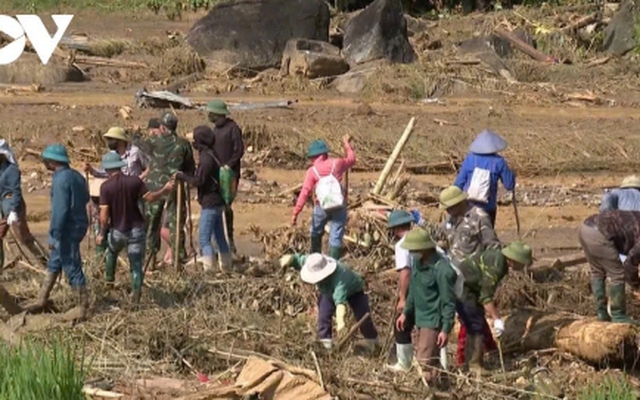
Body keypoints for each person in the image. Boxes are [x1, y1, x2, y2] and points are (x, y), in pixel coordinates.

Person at [434, 185, 501, 367]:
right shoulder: (451, 218)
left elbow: (492, 246)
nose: (448, 211)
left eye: (450, 207)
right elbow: (441, 236)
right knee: (470, 316)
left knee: (470, 318)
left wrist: (487, 275)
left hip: (472, 278)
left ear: (461, 202)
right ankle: (490, 350)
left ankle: (471, 361)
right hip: (454, 275)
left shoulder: (479, 218)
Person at [98, 152, 174, 303]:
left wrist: (101, 233)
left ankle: (109, 284)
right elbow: (151, 198)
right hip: (136, 230)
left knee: (112, 252)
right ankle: (136, 296)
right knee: (136, 264)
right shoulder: (135, 182)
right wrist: (164, 190)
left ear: (107, 170)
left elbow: (104, 215)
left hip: (118, 230)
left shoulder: (105, 187)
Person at [28, 144, 90, 321]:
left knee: (71, 263)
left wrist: (54, 233)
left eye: (47, 160)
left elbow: (60, 210)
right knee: (55, 260)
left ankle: (82, 305)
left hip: (67, 227)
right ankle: (42, 298)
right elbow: (85, 197)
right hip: (79, 223)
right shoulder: (77, 176)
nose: (45, 163)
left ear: (53, 162)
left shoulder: (60, 179)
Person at [455, 241, 533, 374]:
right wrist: (497, 319)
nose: (523, 267)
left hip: (471, 286)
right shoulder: (497, 265)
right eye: (522, 263)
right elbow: (486, 297)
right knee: (475, 324)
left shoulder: (500, 260)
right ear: (513, 260)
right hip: (463, 287)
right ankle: (474, 365)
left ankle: (469, 362)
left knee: (476, 320)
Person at [280, 252, 379, 351]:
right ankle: (325, 344)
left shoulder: (340, 280)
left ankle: (372, 342)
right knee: (324, 314)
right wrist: (289, 259)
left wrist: (340, 322)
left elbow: (340, 303)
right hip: (328, 290)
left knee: (363, 316)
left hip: (354, 291)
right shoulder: (314, 262)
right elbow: (298, 259)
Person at [133, 112, 195, 267]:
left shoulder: (155, 141)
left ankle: (149, 260)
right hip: (175, 187)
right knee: (175, 223)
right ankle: (178, 259)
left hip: (155, 187)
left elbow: (138, 143)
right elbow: (190, 168)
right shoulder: (183, 144)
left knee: (152, 224)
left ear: (162, 127)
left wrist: (135, 133)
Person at [395, 228, 457, 383]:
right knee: (430, 361)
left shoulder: (442, 269)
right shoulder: (417, 262)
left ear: (424, 248)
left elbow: (448, 302)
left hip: (432, 321)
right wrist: (405, 313)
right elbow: (414, 291)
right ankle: (445, 388)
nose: (411, 252)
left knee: (425, 363)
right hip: (419, 318)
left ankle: (431, 391)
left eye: (414, 249)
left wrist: (445, 329)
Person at [174, 126, 232, 272]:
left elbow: (199, 181)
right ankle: (226, 267)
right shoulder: (214, 155)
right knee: (219, 237)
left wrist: (181, 176)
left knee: (204, 239)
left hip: (210, 203)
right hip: (218, 201)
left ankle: (209, 269)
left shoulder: (206, 159)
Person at [292, 135, 355, 260]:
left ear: (314, 157)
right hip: (339, 205)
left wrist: (295, 212)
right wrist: (346, 144)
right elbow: (351, 159)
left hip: (321, 207)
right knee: (336, 236)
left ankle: (316, 262)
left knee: (315, 232)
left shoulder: (312, 171)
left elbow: (305, 193)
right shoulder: (337, 163)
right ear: (325, 154)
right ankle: (334, 265)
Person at [578, 210, 640, 324]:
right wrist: (636, 287)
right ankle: (618, 315)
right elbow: (630, 262)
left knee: (597, 272)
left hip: (585, 227)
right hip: (601, 233)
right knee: (618, 274)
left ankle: (601, 313)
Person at [0, 139, 48, 269]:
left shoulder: (12, 170)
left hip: (13, 208)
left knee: (25, 239)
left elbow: (16, 192)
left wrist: (14, 211)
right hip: (4, 209)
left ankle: (47, 262)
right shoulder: (1, 169)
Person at [453, 130, 515, 227]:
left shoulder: (470, 159)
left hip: (468, 207)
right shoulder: (499, 162)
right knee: (486, 238)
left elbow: (458, 184)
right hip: (488, 208)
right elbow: (509, 185)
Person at [207, 100, 244, 257]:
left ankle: (230, 239)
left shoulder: (233, 129)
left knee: (227, 206)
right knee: (216, 205)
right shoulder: (215, 130)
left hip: (230, 174)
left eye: (211, 113)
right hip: (216, 173)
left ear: (218, 114)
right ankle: (219, 242)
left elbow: (239, 150)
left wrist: (229, 165)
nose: (209, 116)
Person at [385, 209, 417, 371]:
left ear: (395, 229)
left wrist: (402, 297)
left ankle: (404, 363)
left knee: (401, 323)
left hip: (415, 288)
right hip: (430, 286)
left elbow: (405, 272)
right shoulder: (421, 238)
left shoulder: (402, 244)